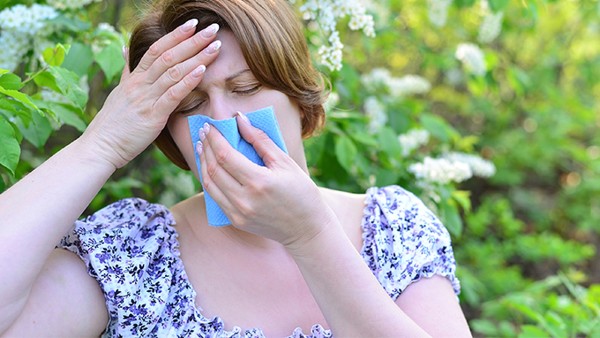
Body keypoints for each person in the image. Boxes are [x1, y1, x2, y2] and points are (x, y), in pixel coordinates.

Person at [0, 0, 472, 336]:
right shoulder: (134, 252)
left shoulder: (395, 229)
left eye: (246, 88)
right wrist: (100, 146)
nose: (222, 120)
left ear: (301, 97)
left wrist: (310, 237)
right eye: (192, 104)